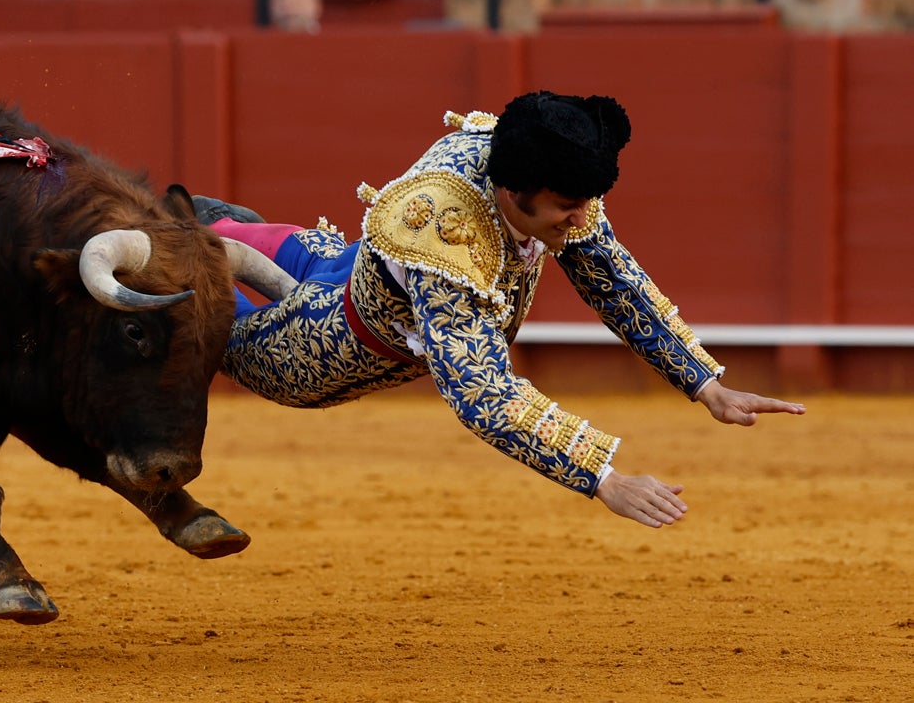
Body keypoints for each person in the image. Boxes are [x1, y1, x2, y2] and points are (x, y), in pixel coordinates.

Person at [189, 90, 805, 547]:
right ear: (512, 193)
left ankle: (206, 229)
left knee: (228, 240)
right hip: (320, 349)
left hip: (352, 266)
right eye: (566, 207)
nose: (581, 219)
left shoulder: (535, 164)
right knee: (186, 305)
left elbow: (614, 281)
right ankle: (175, 242)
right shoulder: (446, 233)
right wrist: (604, 477)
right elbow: (483, 393)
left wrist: (706, 384)